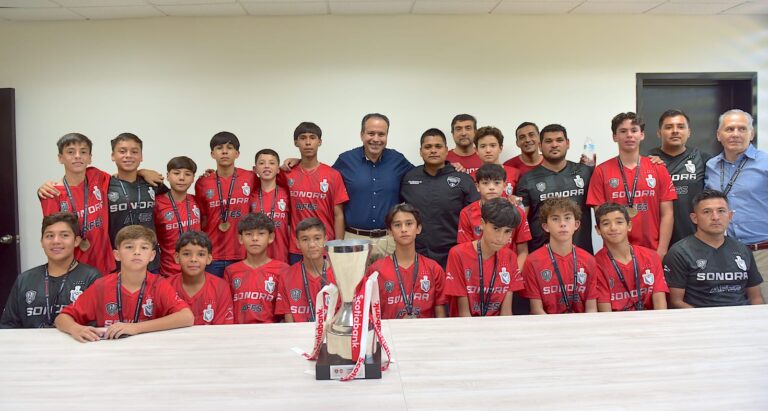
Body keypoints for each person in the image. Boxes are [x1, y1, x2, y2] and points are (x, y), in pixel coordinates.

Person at [54, 225, 194, 342]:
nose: (137, 252)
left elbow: (187, 317)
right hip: (110, 353)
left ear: (152, 256)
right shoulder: (101, 286)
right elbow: (62, 318)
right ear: (117, 254)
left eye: (144, 248)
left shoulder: (159, 284)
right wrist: (76, 329)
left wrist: (136, 327)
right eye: (129, 247)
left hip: (149, 351)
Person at [587, 112, 677, 257]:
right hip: (615, 253)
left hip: (653, 251)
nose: (629, 135)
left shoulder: (658, 168)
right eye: (623, 131)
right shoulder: (601, 171)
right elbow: (600, 216)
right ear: (614, 137)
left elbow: (667, 214)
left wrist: (662, 250)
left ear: (642, 135)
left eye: (634, 130)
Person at [704, 109, 768, 300]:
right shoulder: (711, 166)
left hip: (762, 253)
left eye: (742, 129)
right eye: (729, 129)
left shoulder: (765, 164)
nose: (735, 134)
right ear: (719, 135)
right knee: (732, 313)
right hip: (725, 254)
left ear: (752, 134)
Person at [333, 113, 414, 261]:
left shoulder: (398, 160)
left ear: (387, 136)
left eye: (381, 134)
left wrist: (448, 166)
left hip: (389, 242)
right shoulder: (345, 160)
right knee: (354, 285)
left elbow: (422, 176)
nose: (376, 139)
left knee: (390, 284)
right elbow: (324, 179)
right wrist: (300, 162)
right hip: (353, 240)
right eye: (371, 133)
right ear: (361, 134)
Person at [663, 189, 764, 308]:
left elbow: (756, 298)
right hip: (701, 320)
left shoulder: (743, 250)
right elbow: (675, 302)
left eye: (721, 211)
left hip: (741, 319)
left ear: (730, 215)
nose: (715, 217)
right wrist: (707, 321)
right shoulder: (679, 252)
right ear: (694, 218)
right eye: (707, 212)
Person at [1, 213, 100, 328]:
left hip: (75, 344)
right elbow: (8, 326)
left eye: (64, 235)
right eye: (49, 236)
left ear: (76, 241)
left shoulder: (91, 278)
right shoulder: (25, 280)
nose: (56, 241)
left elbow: (96, 324)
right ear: (42, 242)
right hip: (33, 345)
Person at [400, 128, 479, 267]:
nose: (433, 150)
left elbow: (475, 218)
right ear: (420, 151)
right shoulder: (409, 178)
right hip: (416, 253)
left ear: (446, 150)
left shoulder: (463, 179)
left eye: (438, 146)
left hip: (453, 254)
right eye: (428, 147)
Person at [39, 133, 114, 275]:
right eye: (70, 152)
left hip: (104, 266)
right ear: (60, 158)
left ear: (90, 158)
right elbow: (55, 236)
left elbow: (122, 176)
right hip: (73, 270)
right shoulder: (52, 194)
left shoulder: (96, 176)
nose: (78, 156)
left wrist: (143, 172)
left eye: (83, 152)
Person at [516, 124, 594, 253]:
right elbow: (520, 224)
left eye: (559, 140)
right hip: (541, 257)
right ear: (540, 146)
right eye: (548, 141)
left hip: (581, 255)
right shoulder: (527, 179)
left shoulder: (585, 172)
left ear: (567, 143)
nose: (554, 145)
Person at [283, 122, 348, 264]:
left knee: (327, 286)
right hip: (297, 247)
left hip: (325, 246)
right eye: (303, 138)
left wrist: (337, 247)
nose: (307, 142)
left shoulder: (333, 175)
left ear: (319, 142)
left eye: (312, 138)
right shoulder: (287, 174)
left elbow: (338, 214)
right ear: (296, 142)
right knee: (299, 285)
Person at [445, 198, 524, 317]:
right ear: (482, 224)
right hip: (465, 329)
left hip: (498, 329)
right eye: (496, 229)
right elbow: (463, 313)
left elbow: (506, 312)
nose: (500, 238)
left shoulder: (510, 257)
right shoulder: (458, 254)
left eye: (507, 231)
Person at [368, 203, 447, 319]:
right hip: (388, 335)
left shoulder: (434, 269)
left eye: (409, 224)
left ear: (418, 228)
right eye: (397, 225)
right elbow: (371, 315)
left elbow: (441, 315)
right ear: (390, 231)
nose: (404, 229)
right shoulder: (376, 271)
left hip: (425, 335)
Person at [194, 131, 256, 277]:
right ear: (212, 154)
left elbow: (272, 179)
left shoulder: (251, 178)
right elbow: (202, 218)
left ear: (237, 153)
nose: (224, 151)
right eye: (219, 148)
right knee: (214, 298)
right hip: (213, 255)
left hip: (243, 253)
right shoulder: (203, 182)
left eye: (229, 147)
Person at [522, 198, 599, 314]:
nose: (562, 224)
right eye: (555, 219)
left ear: (576, 224)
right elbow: (536, 310)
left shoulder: (589, 260)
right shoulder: (532, 261)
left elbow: (592, 309)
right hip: (547, 328)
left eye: (567, 218)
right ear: (545, 226)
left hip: (582, 327)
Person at [106, 133, 168, 272]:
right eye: (122, 151)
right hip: (117, 262)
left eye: (134, 151)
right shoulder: (105, 186)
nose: (128, 155)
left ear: (141, 156)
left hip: (150, 261)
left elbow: (177, 200)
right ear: (113, 155)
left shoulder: (153, 183)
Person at [648, 109, 711, 246]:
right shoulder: (647, 161)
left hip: (695, 240)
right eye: (669, 127)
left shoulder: (703, 159)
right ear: (659, 133)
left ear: (689, 132)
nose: (675, 131)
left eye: (681, 127)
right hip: (656, 242)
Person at [593, 203, 668, 312]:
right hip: (617, 326)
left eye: (619, 222)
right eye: (606, 224)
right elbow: (606, 315)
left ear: (629, 226)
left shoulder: (651, 257)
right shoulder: (595, 264)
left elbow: (660, 307)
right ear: (598, 230)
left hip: (651, 324)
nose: (613, 228)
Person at [457, 163, 531, 270]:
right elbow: (464, 251)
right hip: (478, 271)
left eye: (496, 183)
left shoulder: (518, 211)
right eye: (486, 183)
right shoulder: (466, 213)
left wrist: (514, 274)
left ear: (505, 186)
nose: (491, 187)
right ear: (477, 186)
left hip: (509, 270)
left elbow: (523, 251)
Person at [224, 213, 289, 324]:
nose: (254, 238)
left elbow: (286, 312)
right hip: (238, 332)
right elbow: (227, 309)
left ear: (271, 237)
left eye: (261, 234)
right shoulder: (230, 271)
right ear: (240, 238)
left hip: (270, 332)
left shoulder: (283, 269)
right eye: (248, 234)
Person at [277, 218, 336, 323]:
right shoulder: (286, 275)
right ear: (297, 243)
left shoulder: (338, 274)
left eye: (317, 238)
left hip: (330, 335)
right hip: (298, 336)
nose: (312, 245)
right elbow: (289, 319)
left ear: (325, 240)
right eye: (305, 239)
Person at [168, 231, 233, 325]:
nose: (193, 259)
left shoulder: (221, 287)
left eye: (201, 254)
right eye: (186, 254)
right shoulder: (166, 286)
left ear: (209, 259)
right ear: (177, 257)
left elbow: (223, 330)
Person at [154, 156, 202, 277]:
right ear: (168, 176)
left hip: (195, 270)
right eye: (176, 173)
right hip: (167, 272)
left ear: (193, 178)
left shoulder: (197, 201)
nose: (181, 178)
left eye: (187, 174)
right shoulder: (156, 204)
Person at [251, 148, 290, 264]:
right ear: (255, 169)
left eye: (272, 163)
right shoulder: (250, 196)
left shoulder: (287, 195)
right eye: (262, 163)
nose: (267, 166)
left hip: (282, 257)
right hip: (257, 260)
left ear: (278, 169)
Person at [469, 126, 521, 199]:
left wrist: (516, 200)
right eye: (483, 146)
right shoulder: (470, 177)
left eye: (492, 145)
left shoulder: (515, 173)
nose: (488, 150)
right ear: (476, 150)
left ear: (500, 148)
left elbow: (522, 202)